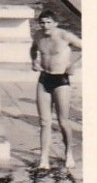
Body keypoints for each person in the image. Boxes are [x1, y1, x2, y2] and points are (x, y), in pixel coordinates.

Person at [30, 11, 81, 170]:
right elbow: (33, 49)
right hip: (44, 79)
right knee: (44, 121)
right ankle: (44, 159)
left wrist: (74, 65)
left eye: (49, 22)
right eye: (43, 23)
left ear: (55, 23)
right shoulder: (38, 35)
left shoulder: (65, 36)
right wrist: (33, 61)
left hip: (61, 80)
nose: (45, 26)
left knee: (62, 121)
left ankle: (69, 153)